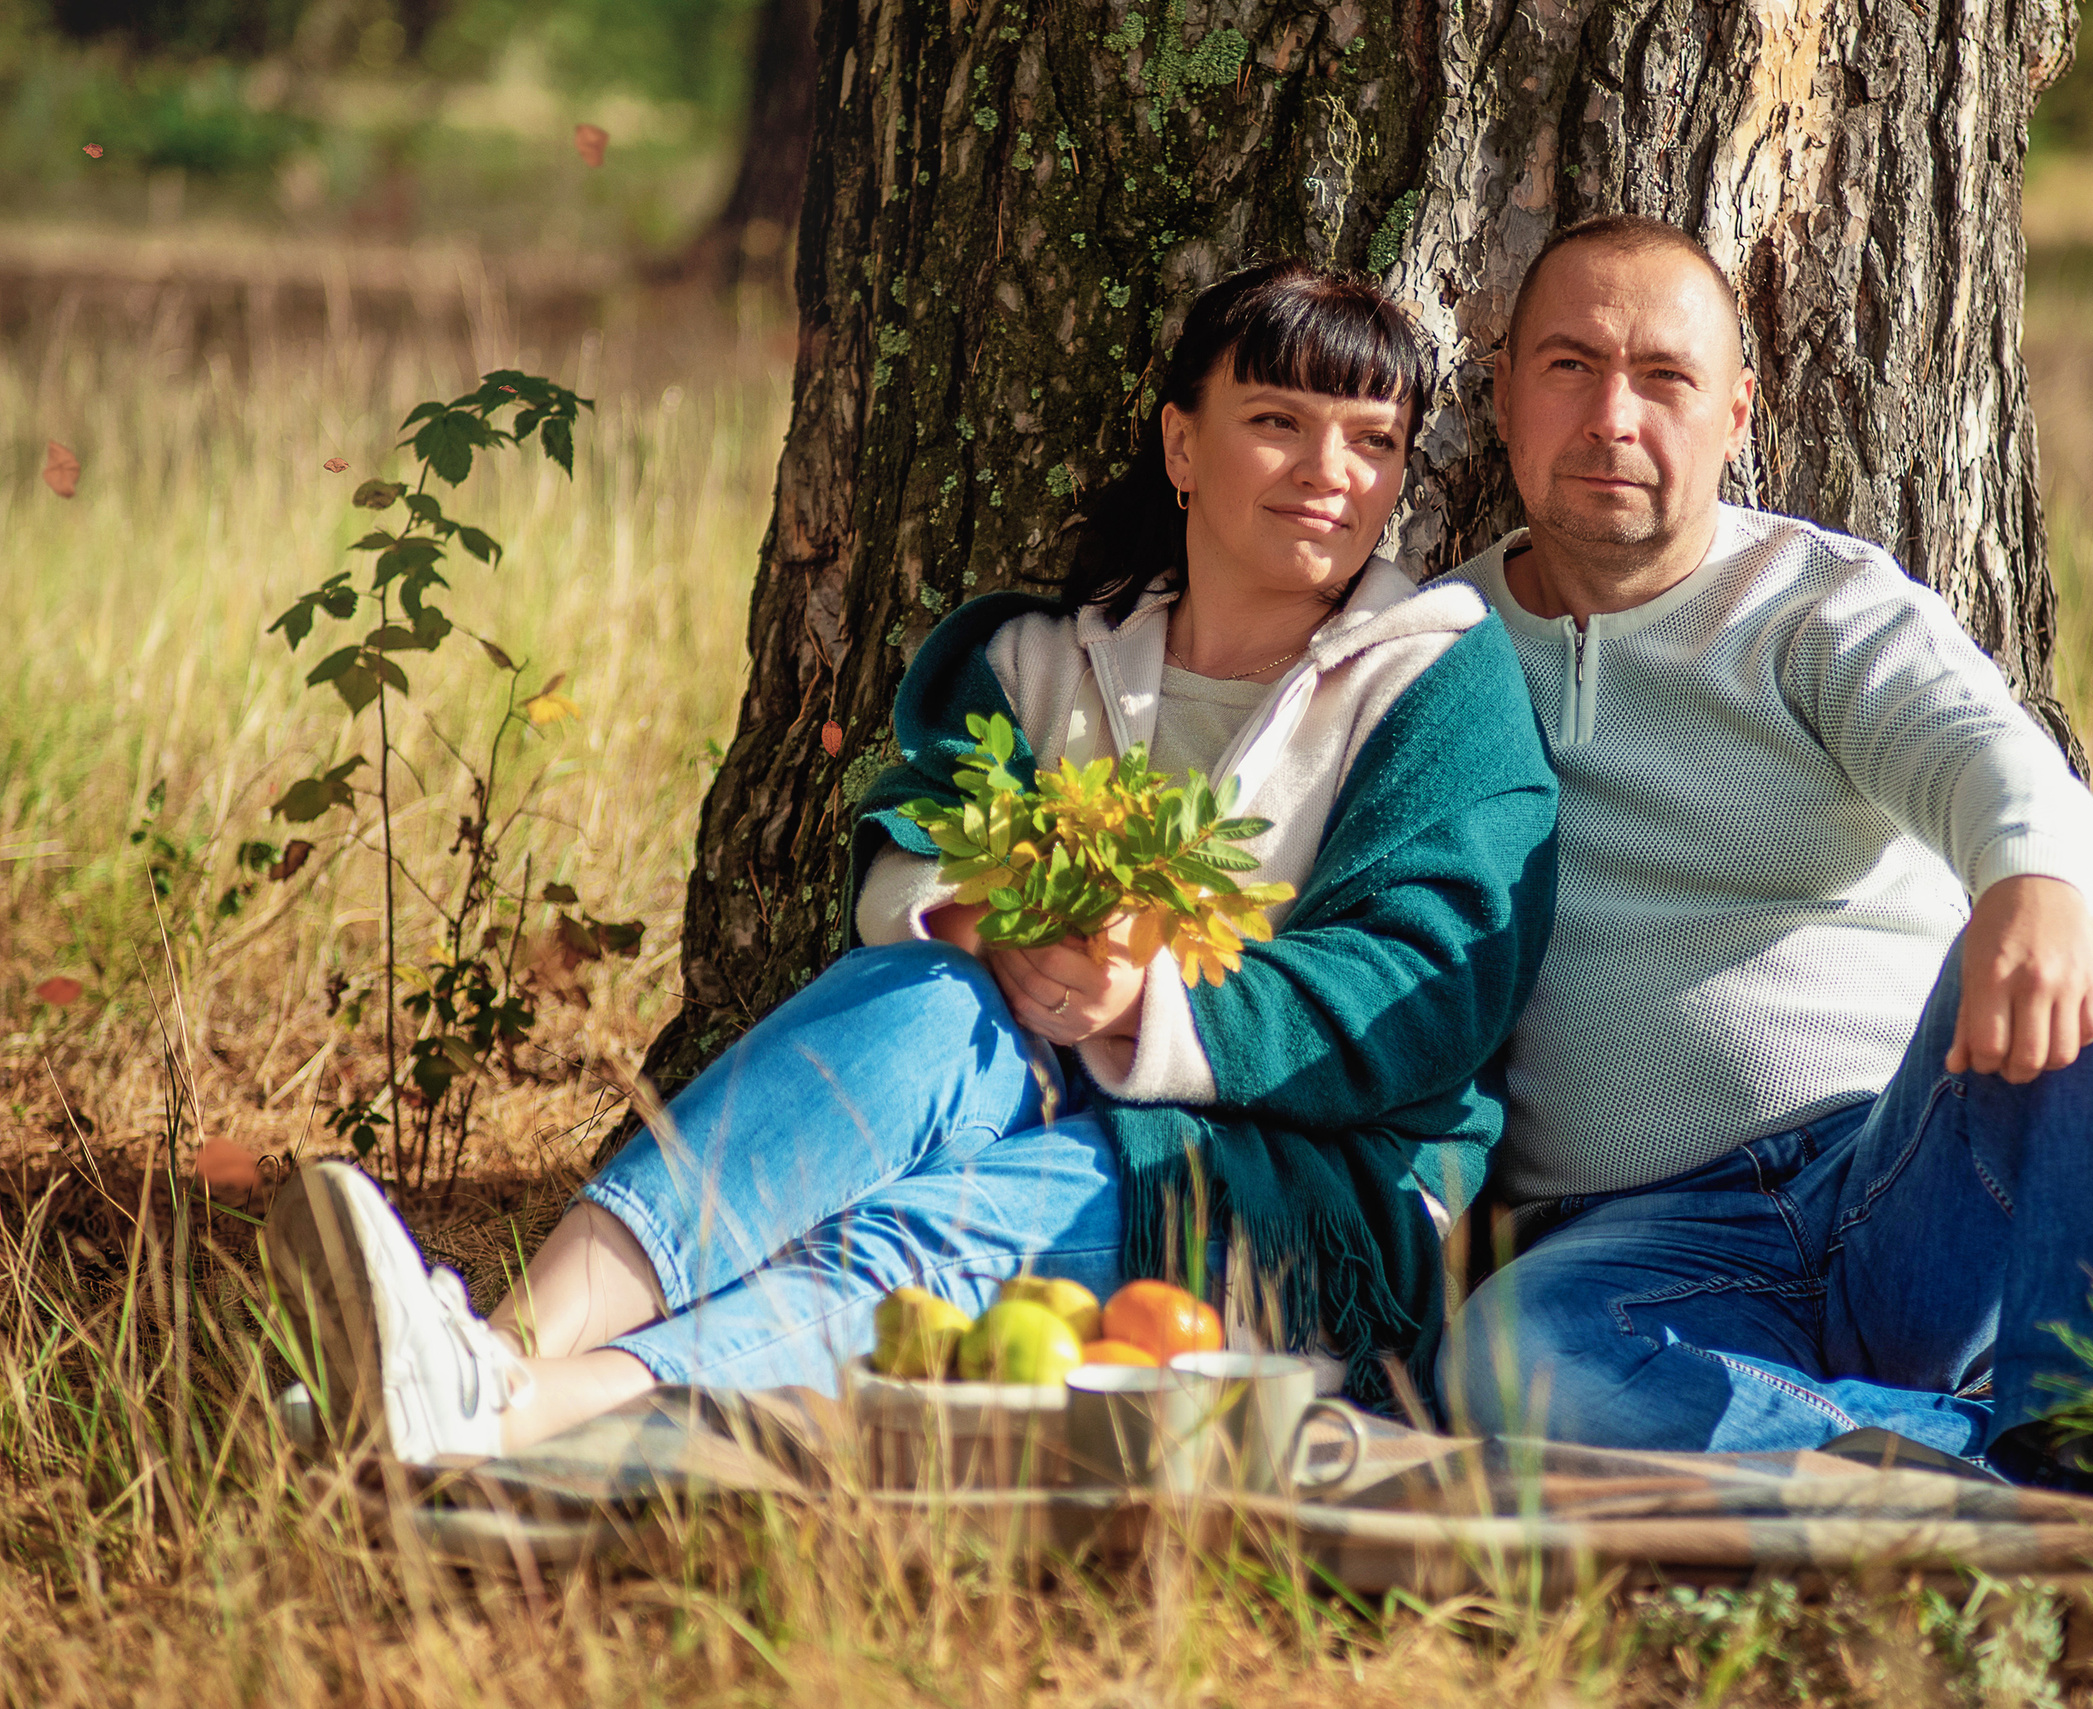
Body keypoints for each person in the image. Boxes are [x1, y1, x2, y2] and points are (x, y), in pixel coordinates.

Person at [263, 259, 1559, 1464]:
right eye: (1277, 421)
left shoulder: (1437, 681)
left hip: (1305, 1193)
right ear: (1181, 443)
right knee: (930, 993)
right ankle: (491, 1350)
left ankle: (513, 1410)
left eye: (1373, 441)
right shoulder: (1042, 660)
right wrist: (991, 925)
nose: (1329, 471)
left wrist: (1143, 999)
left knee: (931, 1222)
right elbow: (916, 841)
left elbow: (1424, 986)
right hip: (1025, 1073)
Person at [1437, 214, 2093, 1487]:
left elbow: (1982, 750)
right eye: (1569, 366)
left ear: (1735, 413)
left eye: (1664, 377)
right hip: (1642, 1251)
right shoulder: (1433, 651)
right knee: (1507, 1372)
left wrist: (2030, 877)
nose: (1612, 418)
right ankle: (2035, 1467)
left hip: (1905, 1173)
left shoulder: (1810, 602)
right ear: (1504, 391)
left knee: (2070, 933)